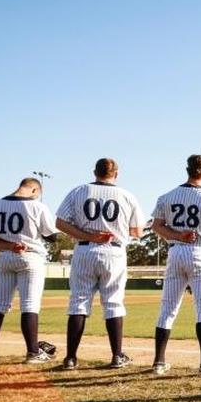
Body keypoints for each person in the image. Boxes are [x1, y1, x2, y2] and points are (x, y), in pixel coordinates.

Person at [55, 158, 144, 370]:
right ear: (116, 174)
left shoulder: (79, 191)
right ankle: (116, 356)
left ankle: (70, 358)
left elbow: (60, 222)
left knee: (78, 302)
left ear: (94, 172)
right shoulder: (127, 195)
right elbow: (138, 231)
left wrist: (88, 234)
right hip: (114, 251)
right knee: (113, 302)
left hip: (85, 249)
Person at [150, 155, 201, 376]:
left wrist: (178, 234)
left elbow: (157, 226)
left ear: (187, 169)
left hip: (176, 251)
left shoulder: (167, 196)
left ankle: (158, 362)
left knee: (168, 307)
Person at [0, 178, 58, 364]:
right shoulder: (37, 206)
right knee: (30, 304)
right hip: (30, 256)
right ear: (34, 190)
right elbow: (52, 237)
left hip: (5, 256)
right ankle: (33, 352)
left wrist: (9, 244)